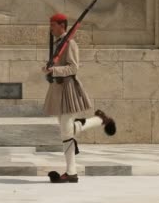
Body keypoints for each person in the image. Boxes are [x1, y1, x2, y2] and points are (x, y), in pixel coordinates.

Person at [42, 13, 116, 183]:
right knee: (65, 131)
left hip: (68, 89)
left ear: (62, 25)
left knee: (66, 130)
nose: (50, 28)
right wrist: (48, 69)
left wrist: (55, 71)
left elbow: (74, 68)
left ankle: (71, 171)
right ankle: (72, 172)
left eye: (53, 25)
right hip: (57, 89)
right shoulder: (58, 44)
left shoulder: (70, 44)